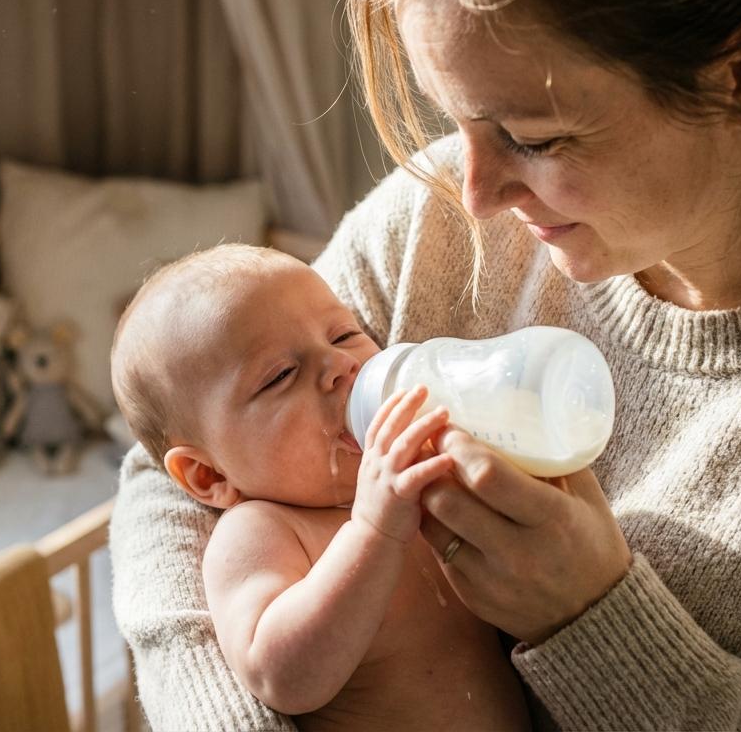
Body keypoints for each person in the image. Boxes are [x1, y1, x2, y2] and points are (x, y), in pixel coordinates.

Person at [109, 0, 741, 729]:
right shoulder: (435, 224)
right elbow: (175, 465)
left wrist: (593, 622)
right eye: (454, 120)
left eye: (533, 138)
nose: (476, 192)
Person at [110, 244, 530, 730]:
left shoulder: (422, 474)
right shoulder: (260, 533)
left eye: (345, 333)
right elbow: (281, 677)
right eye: (280, 376)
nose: (339, 366)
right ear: (210, 475)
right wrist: (373, 530)